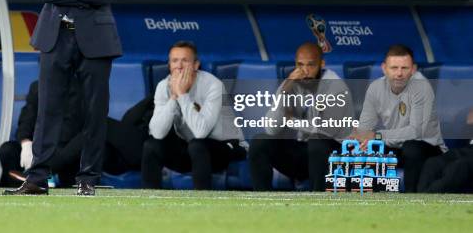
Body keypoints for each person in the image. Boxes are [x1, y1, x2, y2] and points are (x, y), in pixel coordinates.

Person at [5, 0, 127, 196]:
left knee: (94, 111)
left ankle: (87, 179)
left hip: (96, 41)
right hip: (55, 36)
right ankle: (36, 180)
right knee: (48, 108)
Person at [0, 80, 154, 187]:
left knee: (98, 126)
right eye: (174, 61)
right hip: (42, 148)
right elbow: (26, 120)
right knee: (8, 149)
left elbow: (73, 128)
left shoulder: (80, 86)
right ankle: (39, 175)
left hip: (136, 150)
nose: (179, 67)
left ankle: (44, 172)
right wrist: (26, 142)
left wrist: (177, 96)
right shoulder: (38, 87)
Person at [141, 41, 247, 190]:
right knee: (151, 145)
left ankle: (202, 201)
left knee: (197, 145)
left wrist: (183, 95)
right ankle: (148, 202)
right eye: (174, 61)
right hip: (191, 149)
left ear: (196, 65)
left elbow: (201, 132)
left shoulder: (213, 85)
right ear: (170, 65)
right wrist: (173, 97)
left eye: (185, 60)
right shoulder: (163, 86)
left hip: (226, 147)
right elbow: (157, 133)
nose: (179, 65)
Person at [248, 42, 353, 191]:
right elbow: (271, 128)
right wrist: (284, 90)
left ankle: (320, 200)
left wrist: (292, 121)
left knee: (318, 142)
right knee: (260, 141)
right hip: (303, 153)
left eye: (311, 65)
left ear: (321, 64)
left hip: (333, 157)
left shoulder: (335, 86)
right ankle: (262, 200)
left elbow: (326, 130)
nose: (305, 71)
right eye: (300, 65)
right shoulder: (291, 83)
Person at [351, 44, 446, 193]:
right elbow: (366, 126)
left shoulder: (421, 87)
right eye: (394, 68)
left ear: (413, 69)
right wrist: (362, 138)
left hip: (428, 149)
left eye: (404, 68)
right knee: (363, 149)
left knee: (411, 147)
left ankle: (412, 200)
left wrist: (376, 136)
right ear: (384, 68)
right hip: (396, 146)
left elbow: (415, 132)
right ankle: (368, 203)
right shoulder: (376, 88)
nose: (399, 73)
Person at [417, 108, 473, 193]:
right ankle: (420, 198)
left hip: (468, 159)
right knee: (433, 163)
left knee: (459, 166)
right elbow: (463, 138)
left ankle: (427, 198)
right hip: (467, 149)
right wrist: (469, 124)